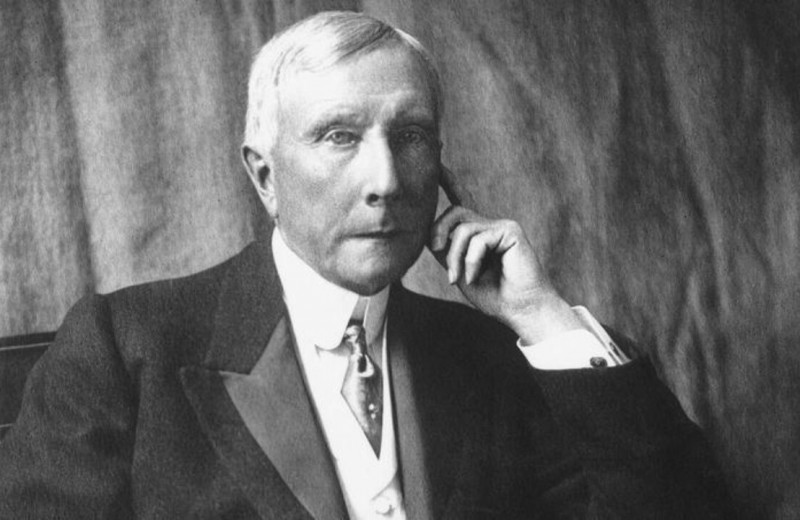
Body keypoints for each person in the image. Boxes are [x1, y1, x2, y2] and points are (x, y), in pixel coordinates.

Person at [0, 11, 728, 519]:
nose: (385, 180)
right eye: (339, 137)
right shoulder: (124, 347)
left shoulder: (495, 358)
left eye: (409, 137)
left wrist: (544, 319)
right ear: (264, 175)